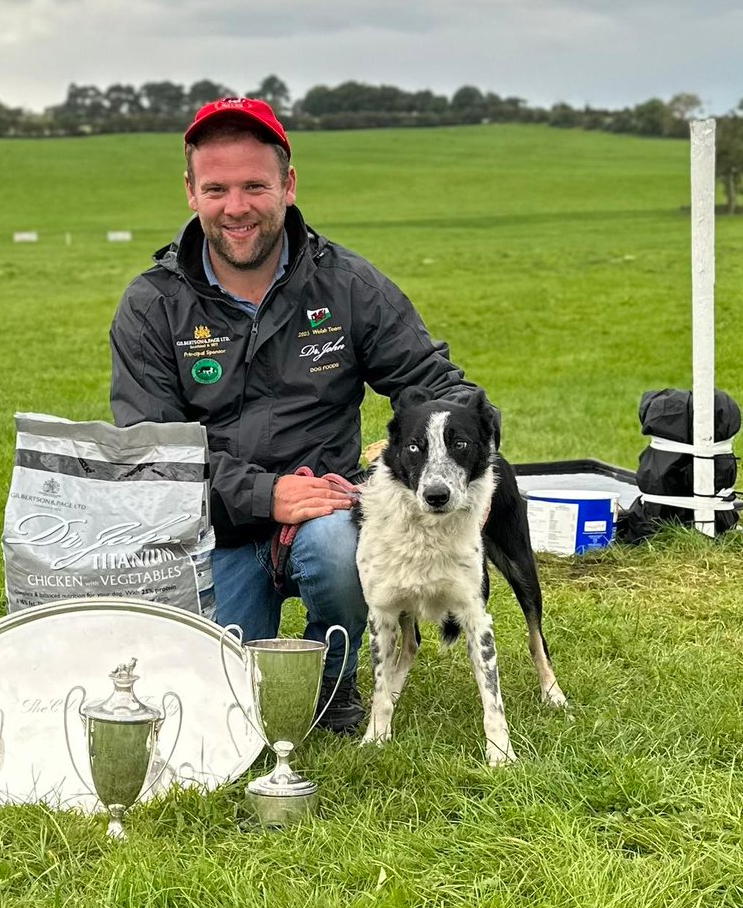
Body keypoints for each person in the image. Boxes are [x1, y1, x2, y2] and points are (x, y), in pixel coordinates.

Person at [108, 97, 481, 734]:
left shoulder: (348, 286)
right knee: (227, 700)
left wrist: (455, 452)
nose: (237, 207)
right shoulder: (152, 305)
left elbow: (434, 384)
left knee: (340, 550)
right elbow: (151, 453)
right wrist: (265, 494)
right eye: (217, 188)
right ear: (191, 192)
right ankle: (247, 666)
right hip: (213, 524)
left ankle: (334, 691)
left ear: (288, 184)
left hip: (326, 513)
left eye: (255, 185)